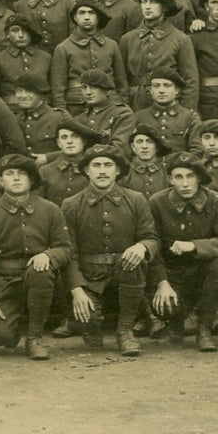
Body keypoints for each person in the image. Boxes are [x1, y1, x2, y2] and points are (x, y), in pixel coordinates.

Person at [59, 144, 158, 356]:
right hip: (89, 279)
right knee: (90, 319)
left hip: (126, 274)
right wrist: (77, 290)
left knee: (135, 260)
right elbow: (68, 252)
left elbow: (151, 237)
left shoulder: (136, 200)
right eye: (96, 165)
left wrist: (142, 247)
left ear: (118, 170)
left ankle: (125, 331)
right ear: (86, 171)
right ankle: (89, 328)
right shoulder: (71, 205)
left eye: (108, 165)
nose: (102, 170)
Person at [0, 155, 72, 360]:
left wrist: (47, 255)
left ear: (31, 180)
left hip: (39, 279)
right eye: (9, 174)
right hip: (4, 282)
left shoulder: (50, 210)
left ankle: (34, 337)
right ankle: (12, 326)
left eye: (22, 174)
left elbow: (65, 248)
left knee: (39, 270)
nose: (16, 178)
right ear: (0, 181)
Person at [147, 151, 218, 351]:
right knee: (164, 308)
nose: (185, 183)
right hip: (172, 276)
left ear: (199, 178)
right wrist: (162, 283)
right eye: (178, 177)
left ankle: (205, 327)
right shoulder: (157, 202)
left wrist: (195, 246)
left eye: (190, 176)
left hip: (204, 275)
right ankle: (175, 322)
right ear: (170, 179)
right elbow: (152, 244)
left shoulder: (215, 201)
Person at [119, 0, 199, 111]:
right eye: (144, 2)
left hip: (171, 104)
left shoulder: (180, 39)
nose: (148, 6)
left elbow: (190, 81)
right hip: (136, 105)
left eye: (154, 2)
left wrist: (186, 113)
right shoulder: (127, 39)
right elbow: (121, 80)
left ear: (165, 7)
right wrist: (124, 110)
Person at [50, 0, 126, 111]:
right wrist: (62, 114)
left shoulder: (112, 45)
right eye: (81, 13)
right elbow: (58, 88)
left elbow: (122, 82)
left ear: (98, 17)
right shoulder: (63, 48)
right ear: (75, 17)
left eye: (91, 13)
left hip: (110, 105)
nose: (86, 17)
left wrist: (123, 107)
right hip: (77, 106)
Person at [131, 67, 201, 156]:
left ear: (177, 90)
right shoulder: (139, 117)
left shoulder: (190, 117)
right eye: (156, 86)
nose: (161, 90)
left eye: (167, 85)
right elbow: (130, 150)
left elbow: (197, 150)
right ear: (151, 91)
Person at [68, 68, 136, 146]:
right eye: (84, 87)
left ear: (106, 90)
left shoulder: (122, 113)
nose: (88, 92)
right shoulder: (80, 118)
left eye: (94, 87)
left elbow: (119, 147)